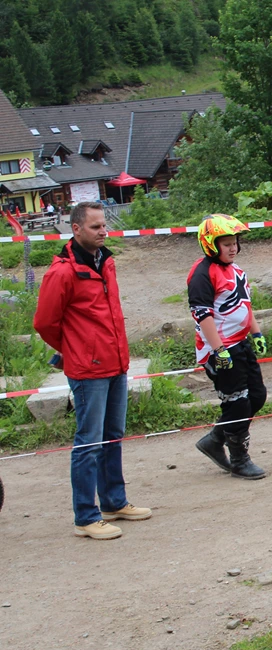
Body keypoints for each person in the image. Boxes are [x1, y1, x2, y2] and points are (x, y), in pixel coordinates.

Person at [33, 201, 152, 540]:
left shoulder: (107, 262)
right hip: (88, 368)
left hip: (116, 362)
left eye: (104, 226)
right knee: (89, 442)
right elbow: (44, 323)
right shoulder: (61, 272)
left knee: (113, 435)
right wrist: (75, 348)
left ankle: (114, 501)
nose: (103, 231)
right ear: (76, 229)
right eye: (96, 227)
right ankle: (85, 516)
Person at [187, 214, 269, 479]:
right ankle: (239, 460)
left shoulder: (236, 271)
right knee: (236, 402)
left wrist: (256, 333)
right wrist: (218, 349)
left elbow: (244, 305)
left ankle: (213, 440)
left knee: (256, 397)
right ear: (211, 244)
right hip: (220, 348)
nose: (232, 247)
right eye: (226, 243)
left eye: (235, 242)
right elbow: (203, 315)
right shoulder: (202, 274)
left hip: (241, 343)